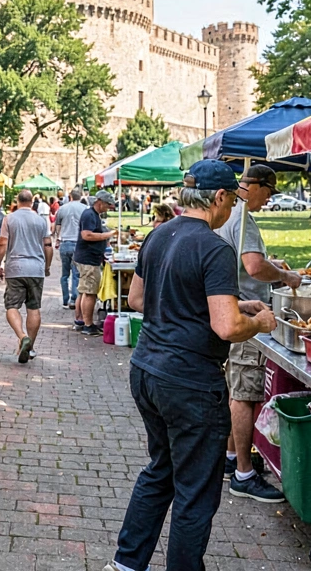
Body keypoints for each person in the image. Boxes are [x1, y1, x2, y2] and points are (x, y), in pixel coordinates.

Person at [105, 161, 277, 571]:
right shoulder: (216, 247)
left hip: (147, 369)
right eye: (232, 200)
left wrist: (223, 306)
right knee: (195, 489)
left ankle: (127, 563)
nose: (233, 208)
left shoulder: (158, 234)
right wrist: (259, 321)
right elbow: (227, 326)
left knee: (160, 470)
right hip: (190, 381)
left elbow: (138, 301)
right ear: (219, 198)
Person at [213, 164, 296, 503]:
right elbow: (253, 266)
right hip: (247, 311)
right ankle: (245, 474)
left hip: (231, 305)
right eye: (269, 192)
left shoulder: (230, 212)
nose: (268, 200)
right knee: (245, 394)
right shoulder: (244, 214)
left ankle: (233, 458)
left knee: (236, 388)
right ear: (257, 186)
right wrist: (285, 277)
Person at [0, 190, 48, 363]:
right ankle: (30, 346)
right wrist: (46, 267)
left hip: (15, 268)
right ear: (32, 201)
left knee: (12, 306)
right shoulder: (41, 220)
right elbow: (47, 245)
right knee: (33, 307)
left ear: (17, 201)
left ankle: (22, 336)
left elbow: (3, 244)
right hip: (36, 268)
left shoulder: (9, 219)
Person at [74, 190, 117, 336]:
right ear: (100, 202)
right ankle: (88, 324)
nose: (108, 208)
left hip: (88, 258)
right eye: (107, 205)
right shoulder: (89, 215)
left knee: (84, 290)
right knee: (90, 292)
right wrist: (108, 235)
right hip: (88, 259)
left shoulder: (93, 215)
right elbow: (87, 235)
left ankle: (81, 320)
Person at [53, 188, 87, 310]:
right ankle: (74, 299)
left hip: (65, 242)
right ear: (81, 196)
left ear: (70, 197)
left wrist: (58, 238)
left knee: (65, 274)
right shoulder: (84, 209)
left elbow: (57, 226)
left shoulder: (62, 209)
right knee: (76, 274)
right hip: (78, 243)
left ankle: (65, 299)